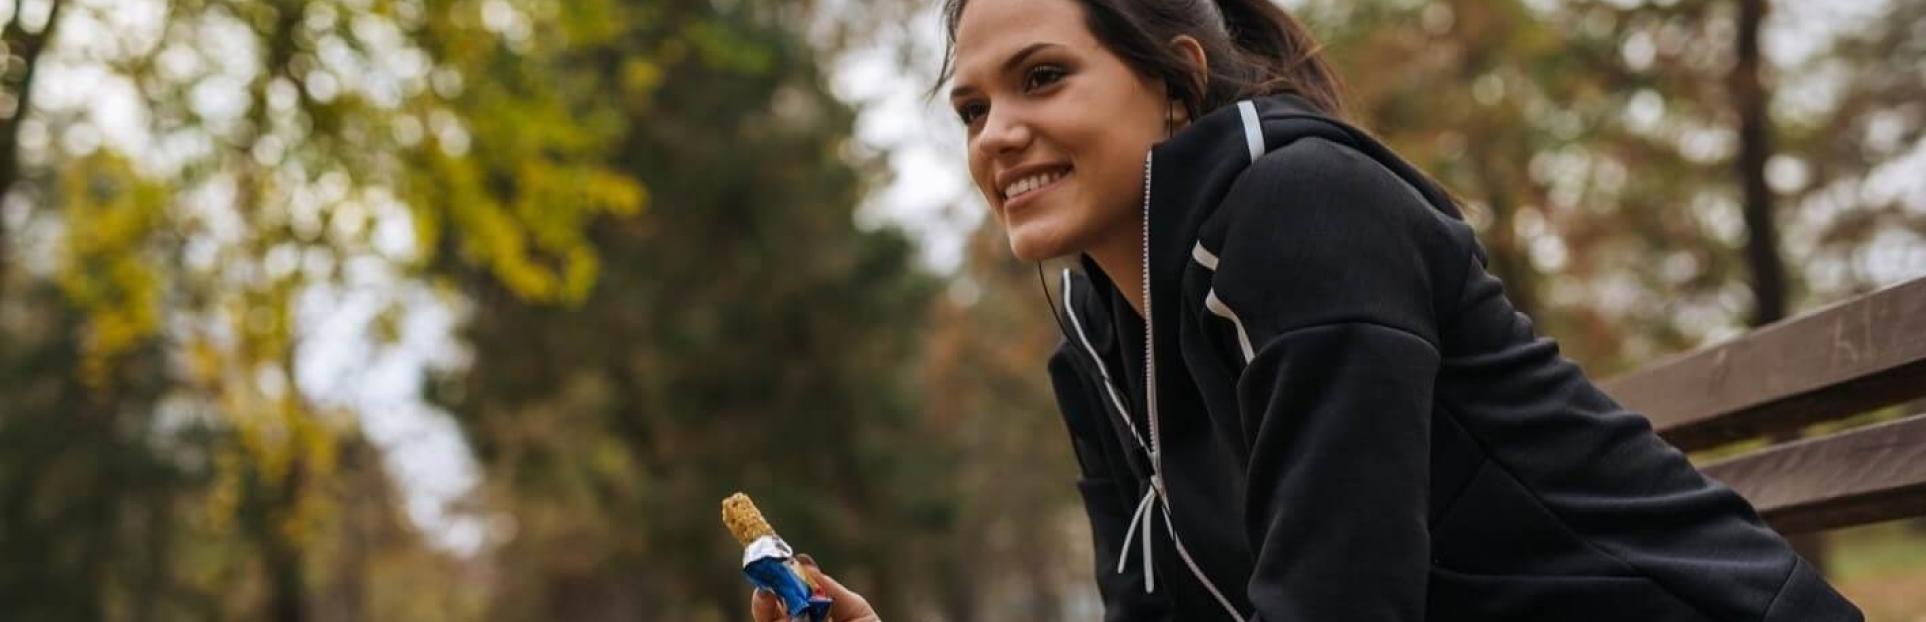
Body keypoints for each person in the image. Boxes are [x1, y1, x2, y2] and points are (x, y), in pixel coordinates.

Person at [755, 0, 1866, 619]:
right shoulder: (1098, 344)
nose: (995, 133)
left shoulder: (1304, 212)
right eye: (971, 107)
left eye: (1043, 78)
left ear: (1177, 80)